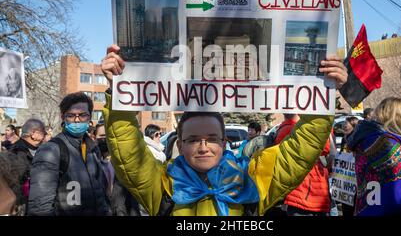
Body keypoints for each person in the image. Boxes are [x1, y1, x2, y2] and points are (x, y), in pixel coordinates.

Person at [100, 44, 348, 216]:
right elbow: (128, 152)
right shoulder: (161, 184)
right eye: (194, 139)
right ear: (180, 144)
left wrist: (323, 91)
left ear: (224, 141)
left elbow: (299, 151)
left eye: (211, 138)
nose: (204, 146)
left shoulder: (252, 179)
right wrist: (119, 89)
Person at [27, 92, 110, 216]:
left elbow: (101, 195)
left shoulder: (93, 149)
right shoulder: (50, 151)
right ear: (63, 117)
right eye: (71, 115)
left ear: (89, 117)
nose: (77, 120)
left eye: (83, 115)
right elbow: (40, 207)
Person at [275, 122, 334, 216]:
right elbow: (331, 154)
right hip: (318, 196)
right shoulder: (325, 132)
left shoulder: (294, 132)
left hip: (301, 197)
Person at [94, 121, 140, 216]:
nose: (105, 139)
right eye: (102, 136)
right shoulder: (90, 162)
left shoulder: (125, 163)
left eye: (109, 135)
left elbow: (133, 200)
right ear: (95, 138)